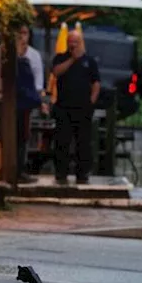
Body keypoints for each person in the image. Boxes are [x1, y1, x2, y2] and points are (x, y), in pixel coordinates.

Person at [0, 24, 46, 183]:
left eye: (24, 33)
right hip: (6, 101)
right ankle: (5, 170)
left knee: (23, 136)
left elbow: (37, 84)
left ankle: (20, 169)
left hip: (24, 103)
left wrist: (38, 101)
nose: (21, 37)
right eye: (18, 33)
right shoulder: (1, 51)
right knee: (6, 135)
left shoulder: (33, 56)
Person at [49, 29, 100, 185]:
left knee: (83, 142)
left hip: (83, 108)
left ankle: (82, 174)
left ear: (81, 42)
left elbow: (96, 82)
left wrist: (92, 100)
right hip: (64, 108)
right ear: (67, 42)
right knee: (62, 142)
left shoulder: (89, 61)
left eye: (76, 42)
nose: (73, 44)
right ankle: (61, 174)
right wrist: (72, 59)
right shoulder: (60, 58)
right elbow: (56, 72)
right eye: (71, 41)